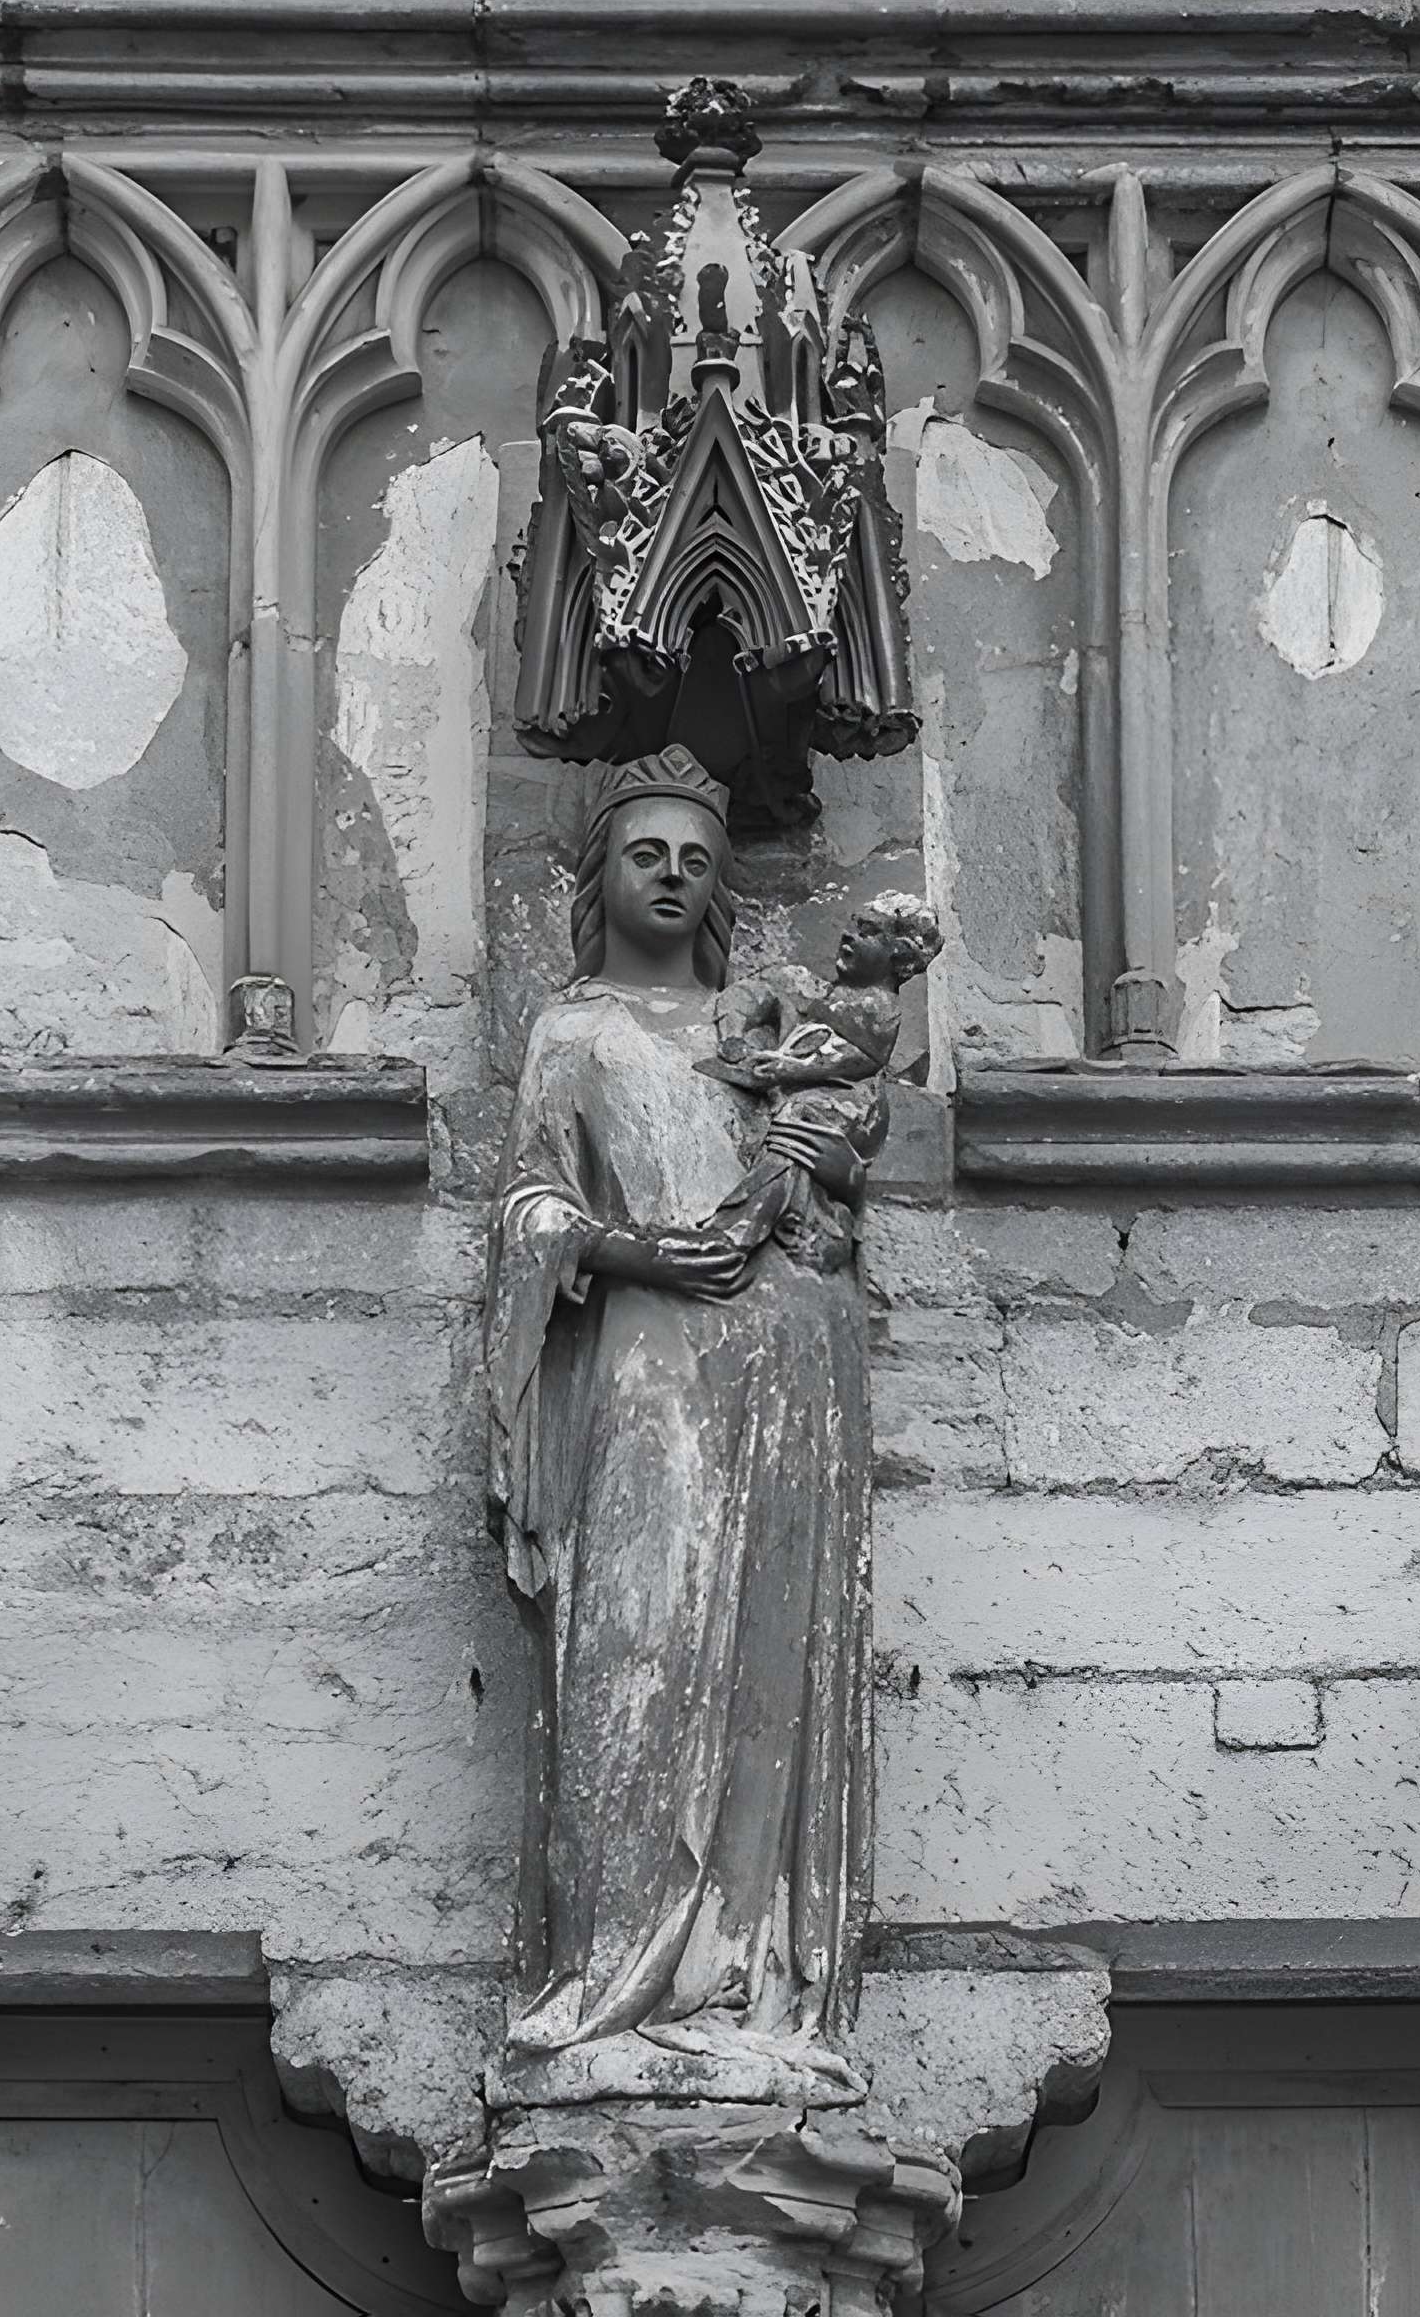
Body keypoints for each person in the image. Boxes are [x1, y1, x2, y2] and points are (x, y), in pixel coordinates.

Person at [484, 744, 870, 2103]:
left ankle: (746, 1983)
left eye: (697, 860)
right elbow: (532, 1206)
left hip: (787, 1370)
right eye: (647, 853)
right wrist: (634, 1253)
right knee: (635, 1652)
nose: (672, 874)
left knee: (769, 1661)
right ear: (602, 873)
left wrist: (828, 1182)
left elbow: (822, 1241)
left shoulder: (764, 1032)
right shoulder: (572, 1035)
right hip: (644, 1368)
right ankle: (610, 1984)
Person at [697, 891, 943, 1265]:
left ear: (898, 955)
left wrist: (790, 1069)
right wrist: (742, 1043)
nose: (849, 936)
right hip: (817, 1087)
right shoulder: (837, 992)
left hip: (848, 1102)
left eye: (868, 932)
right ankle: (792, 1215)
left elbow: (858, 1060)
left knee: (797, 1131)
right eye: (851, 925)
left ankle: (743, 1223)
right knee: (792, 1137)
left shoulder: (879, 1005)